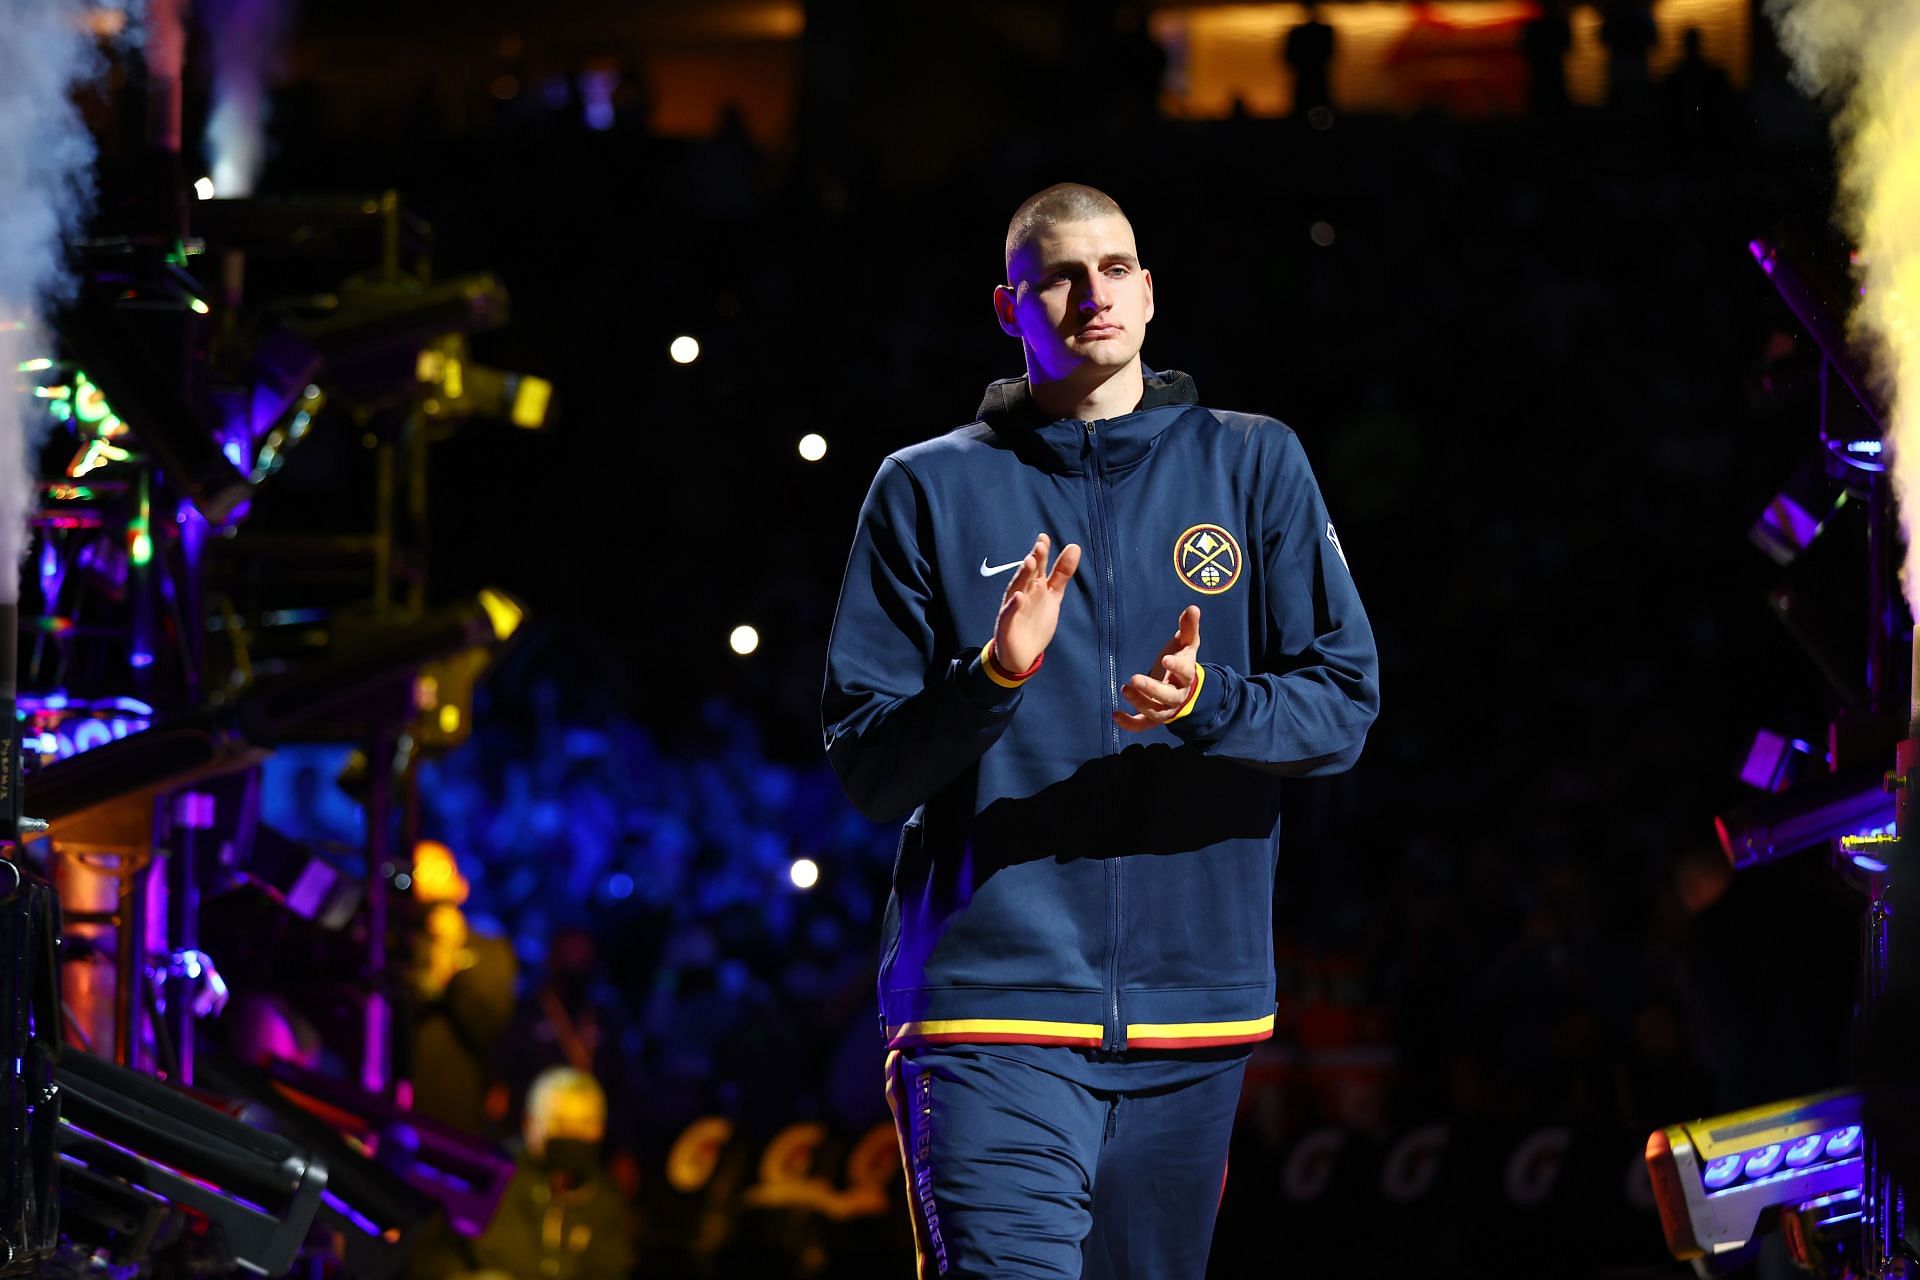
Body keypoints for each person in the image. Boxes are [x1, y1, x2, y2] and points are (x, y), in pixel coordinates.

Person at [821, 183, 1380, 1279]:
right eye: (1062, 276)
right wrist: (992, 676)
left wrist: (1210, 701)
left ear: (1152, 289)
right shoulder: (924, 487)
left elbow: (1344, 703)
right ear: (1007, 306)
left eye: (1116, 268)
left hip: (1195, 1019)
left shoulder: (1255, 461)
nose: (1094, 295)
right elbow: (872, 766)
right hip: (992, 1018)